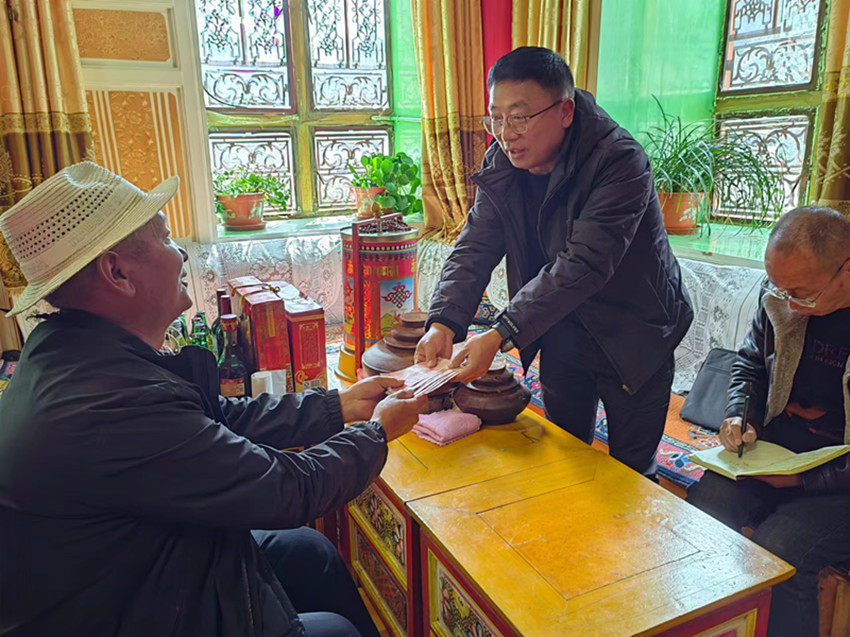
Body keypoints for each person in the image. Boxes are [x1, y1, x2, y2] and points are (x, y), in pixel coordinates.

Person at [0, 161, 427, 637]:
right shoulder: (105, 407)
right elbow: (284, 490)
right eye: (166, 239)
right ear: (117, 272)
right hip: (121, 610)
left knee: (308, 553)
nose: (181, 253)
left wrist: (338, 406)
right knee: (334, 629)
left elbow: (212, 419)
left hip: (143, 565)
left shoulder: (69, 350)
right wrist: (377, 432)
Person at [415, 47, 693, 477]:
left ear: (565, 111)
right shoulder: (503, 160)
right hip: (561, 324)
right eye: (496, 118)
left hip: (635, 331)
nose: (505, 134)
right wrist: (444, 322)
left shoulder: (620, 160)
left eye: (519, 117)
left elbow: (584, 263)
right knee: (565, 457)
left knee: (633, 475)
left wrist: (501, 332)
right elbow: (475, 245)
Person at [687, 206, 850, 637]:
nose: (789, 303)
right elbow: (750, 366)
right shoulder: (782, 300)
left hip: (841, 479)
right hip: (778, 454)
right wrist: (738, 415)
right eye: (780, 288)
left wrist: (801, 480)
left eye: (803, 294)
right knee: (704, 506)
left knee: (781, 550)